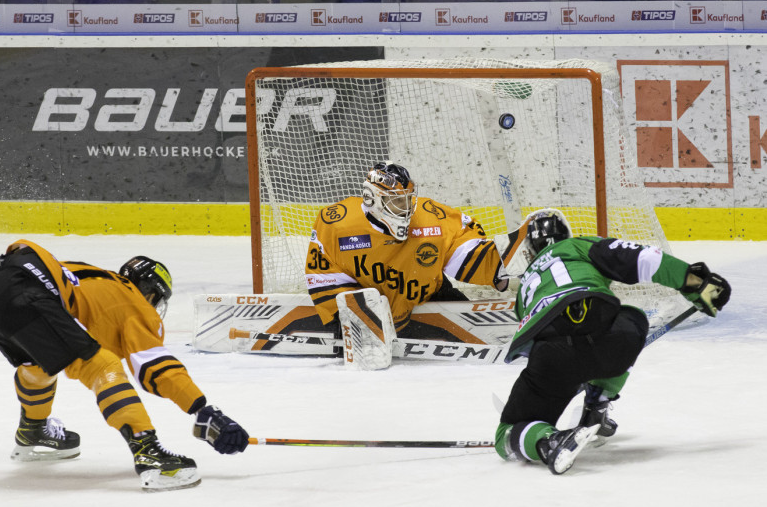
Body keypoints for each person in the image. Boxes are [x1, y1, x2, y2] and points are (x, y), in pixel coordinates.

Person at [0, 239, 249, 492]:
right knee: (102, 366)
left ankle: (33, 429)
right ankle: (148, 451)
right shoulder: (133, 302)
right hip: (27, 291)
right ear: (149, 292)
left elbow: (14, 287)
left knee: (40, 366)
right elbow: (156, 367)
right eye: (156, 298)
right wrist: (202, 409)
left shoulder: (97, 281)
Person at [495, 209, 731, 475]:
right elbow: (642, 259)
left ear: (530, 250)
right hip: (608, 337)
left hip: (551, 357)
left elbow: (537, 340)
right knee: (633, 317)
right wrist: (695, 282)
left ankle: (548, 442)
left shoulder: (524, 288)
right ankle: (598, 404)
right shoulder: (577, 245)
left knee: (506, 435)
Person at [305, 161, 514, 340]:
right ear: (371, 199)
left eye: (407, 198)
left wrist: (494, 268)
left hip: (426, 292)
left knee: (472, 333)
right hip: (368, 302)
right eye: (396, 200)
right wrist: (349, 316)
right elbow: (323, 273)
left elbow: (460, 240)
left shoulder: (430, 215)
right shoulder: (337, 223)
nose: (405, 207)